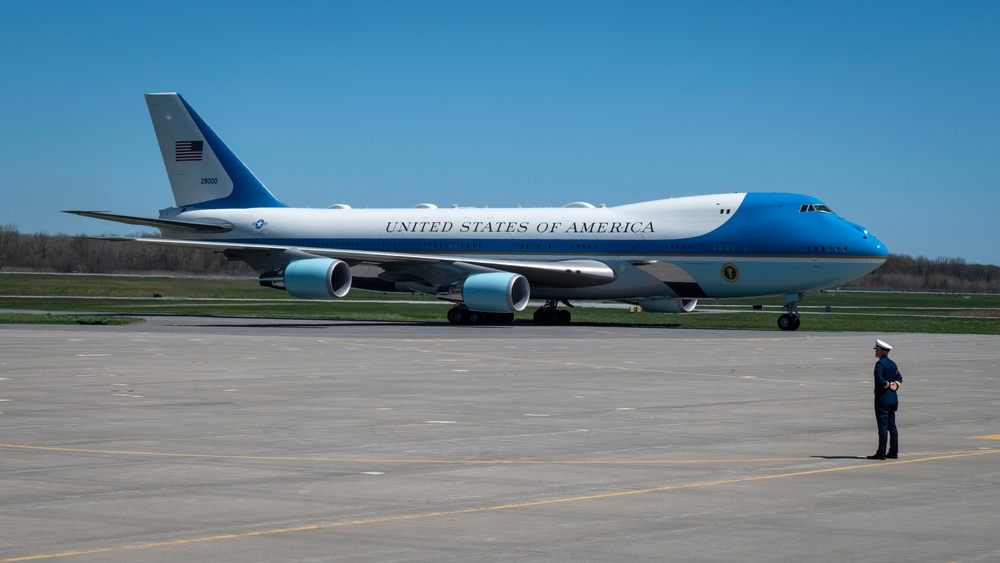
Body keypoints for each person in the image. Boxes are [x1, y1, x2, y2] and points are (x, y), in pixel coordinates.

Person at [868, 339, 902, 460]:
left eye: (877, 350)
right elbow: (899, 377)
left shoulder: (880, 364)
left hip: (882, 399)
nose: (876, 352)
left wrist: (887, 384)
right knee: (892, 427)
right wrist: (896, 384)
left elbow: (880, 379)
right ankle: (893, 451)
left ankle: (881, 452)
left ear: (882, 351)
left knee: (882, 427)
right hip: (893, 399)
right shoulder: (892, 364)